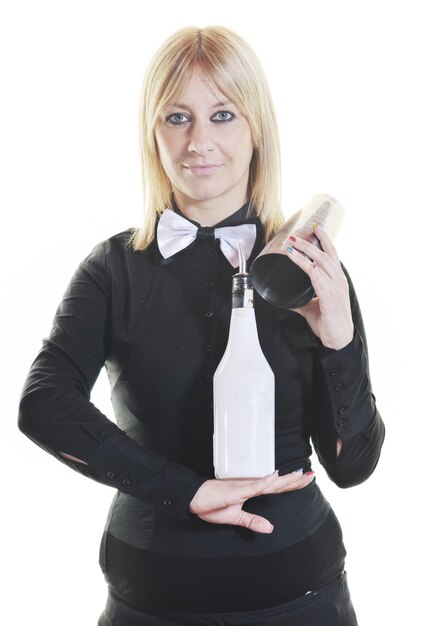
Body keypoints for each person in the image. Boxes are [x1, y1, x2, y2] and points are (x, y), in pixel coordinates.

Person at [18, 25, 385, 626]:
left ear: (256, 129)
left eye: (222, 115)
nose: (198, 142)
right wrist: (185, 490)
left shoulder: (307, 267)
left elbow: (352, 467)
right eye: (176, 117)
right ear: (152, 134)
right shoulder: (113, 268)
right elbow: (44, 404)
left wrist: (339, 340)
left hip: (303, 598)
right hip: (149, 601)